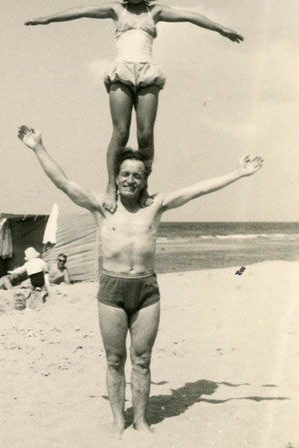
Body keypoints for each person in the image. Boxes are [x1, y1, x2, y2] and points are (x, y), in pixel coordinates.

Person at [17, 124, 263, 438]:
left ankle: (141, 420)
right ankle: (119, 420)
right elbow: (63, 182)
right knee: (115, 358)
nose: (131, 179)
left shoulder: (156, 205)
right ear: (116, 178)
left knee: (143, 359)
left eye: (137, 174)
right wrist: (38, 147)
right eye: (125, 174)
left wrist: (238, 173)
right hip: (112, 289)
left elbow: (199, 189)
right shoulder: (101, 207)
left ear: (145, 178)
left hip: (146, 289)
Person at [24, 0, 243, 213]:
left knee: (146, 134)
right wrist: (46, 19)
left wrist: (221, 29)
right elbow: (81, 10)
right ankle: (110, 185)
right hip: (122, 72)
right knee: (120, 132)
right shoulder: (117, 10)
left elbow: (190, 16)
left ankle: (144, 184)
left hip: (148, 73)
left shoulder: (155, 12)